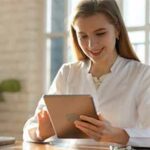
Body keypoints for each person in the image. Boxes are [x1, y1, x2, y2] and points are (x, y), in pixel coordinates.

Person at [23, 0, 150, 145]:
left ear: (117, 30)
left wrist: (120, 135)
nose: (91, 45)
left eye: (100, 33)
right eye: (83, 36)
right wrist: (40, 132)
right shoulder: (68, 73)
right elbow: (30, 128)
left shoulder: (143, 75)